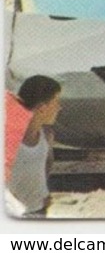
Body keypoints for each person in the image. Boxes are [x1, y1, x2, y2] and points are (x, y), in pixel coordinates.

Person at [8, 75, 63, 217]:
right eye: (56, 102)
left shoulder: (47, 135)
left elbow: (45, 165)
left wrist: (43, 192)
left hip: (38, 211)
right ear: (42, 108)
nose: (59, 108)